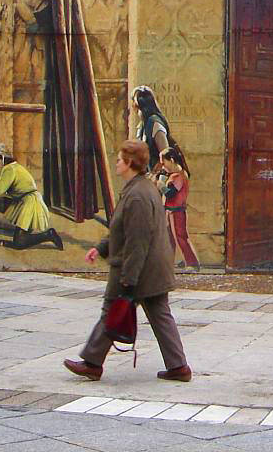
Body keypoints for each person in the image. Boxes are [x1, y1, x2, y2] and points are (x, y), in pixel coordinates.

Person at [65, 139, 191, 382]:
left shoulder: (138, 195)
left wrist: (128, 280)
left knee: (113, 309)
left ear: (130, 163)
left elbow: (137, 241)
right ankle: (178, 367)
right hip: (152, 268)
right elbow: (121, 228)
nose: (116, 163)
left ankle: (92, 362)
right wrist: (100, 248)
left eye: (120, 159)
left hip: (138, 268)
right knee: (159, 314)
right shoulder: (139, 188)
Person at [159, 148, 198, 269]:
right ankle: (168, 263)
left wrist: (161, 186)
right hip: (170, 211)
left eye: (163, 162)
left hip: (177, 211)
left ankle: (192, 263)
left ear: (171, 160)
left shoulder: (180, 176)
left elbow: (171, 194)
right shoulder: (172, 175)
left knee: (181, 237)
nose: (162, 165)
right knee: (169, 239)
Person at [132, 85, 185, 175]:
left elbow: (165, 154)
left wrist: (153, 174)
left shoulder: (155, 123)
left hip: (160, 178)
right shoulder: (142, 125)